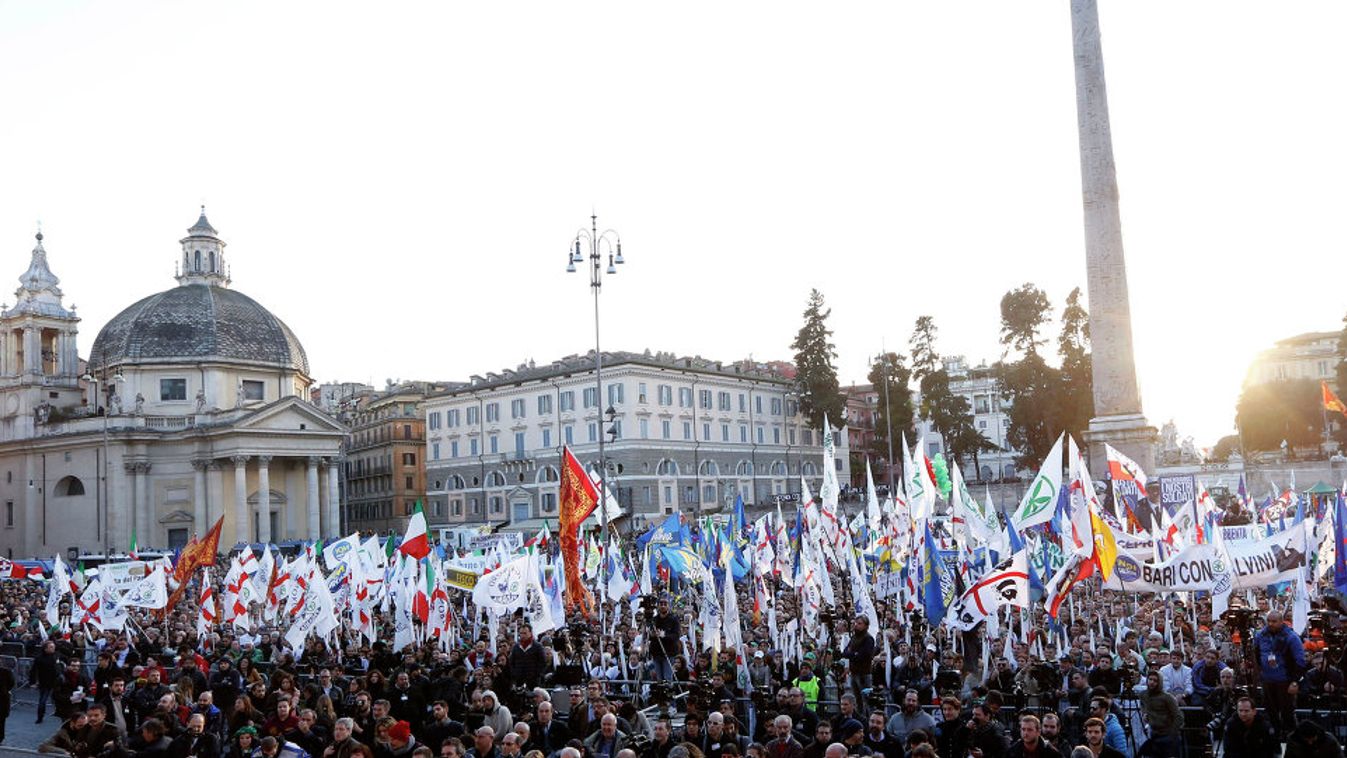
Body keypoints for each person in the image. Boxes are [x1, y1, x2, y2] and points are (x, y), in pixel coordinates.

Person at [1253, 610, 1306, 739]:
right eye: (1268, 621)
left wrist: (1295, 681)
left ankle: (1291, 741)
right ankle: (1273, 741)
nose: (1270, 624)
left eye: (1274, 621)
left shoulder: (1292, 637)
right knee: (1270, 714)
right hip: (1267, 680)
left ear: (1282, 622)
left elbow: (1300, 661)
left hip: (1285, 681)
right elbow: (1256, 654)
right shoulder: (1260, 635)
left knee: (1287, 714)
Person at [1137, 671, 1183, 758]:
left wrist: (1171, 733)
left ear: (1159, 683)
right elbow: (1143, 705)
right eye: (1150, 679)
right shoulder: (1143, 695)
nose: (1152, 682)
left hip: (1168, 736)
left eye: (1155, 680)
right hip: (1154, 735)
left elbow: (1179, 717)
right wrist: (1144, 714)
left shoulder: (1167, 697)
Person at [842, 618, 875, 699]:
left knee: (865, 699)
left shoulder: (868, 638)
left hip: (863, 674)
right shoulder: (854, 637)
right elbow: (845, 652)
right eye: (856, 623)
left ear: (866, 626)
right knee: (855, 699)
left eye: (859, 623)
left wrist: (852, 654)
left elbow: (863, 655)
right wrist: (854, 654)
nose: (856, 625)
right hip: (853, 672)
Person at [650, 598, 681, 682]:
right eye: (661, 604)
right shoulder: (654, 620)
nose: (663, 606)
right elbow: (648, 635)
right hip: (656, 653)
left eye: (665, 604)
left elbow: (676, 635)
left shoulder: (674, 620)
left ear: (668, 606)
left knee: (667, 679)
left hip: (669, 653)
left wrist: (664, 635)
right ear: (658, 606)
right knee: (658, 679)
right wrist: (652, 635)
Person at [32, 640, 63, 724]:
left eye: (53, 647)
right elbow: (34, 670)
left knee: (59, 698)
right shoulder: (39, 658)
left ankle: (59, 713)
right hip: (45, 682)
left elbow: (59, 666)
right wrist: (33, 681)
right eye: (51, 647)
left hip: (56, 681)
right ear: (45, 649)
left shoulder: (56, 655)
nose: (53, 648)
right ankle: (40, 717)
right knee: (42, 700)